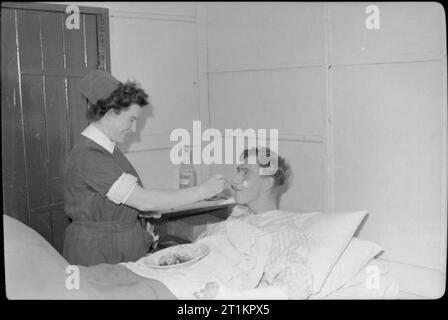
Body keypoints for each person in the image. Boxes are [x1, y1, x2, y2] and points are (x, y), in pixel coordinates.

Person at [63, 70, 226, 266]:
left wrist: (136, 213)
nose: (133, 129)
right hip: (98, 254)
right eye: (131, 120)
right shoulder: (89, 155)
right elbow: (143, 200)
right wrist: (203, 191)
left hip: (114, 248)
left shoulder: (108, 149)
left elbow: (111, 200)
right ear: (110, 113)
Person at [196, 147, 313, 299]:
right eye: (238, 170)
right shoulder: (239, 217)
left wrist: (228, 296)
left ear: (266, 184)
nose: (235, 179)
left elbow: (295, 286)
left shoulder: (281, 232)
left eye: (245, 172)